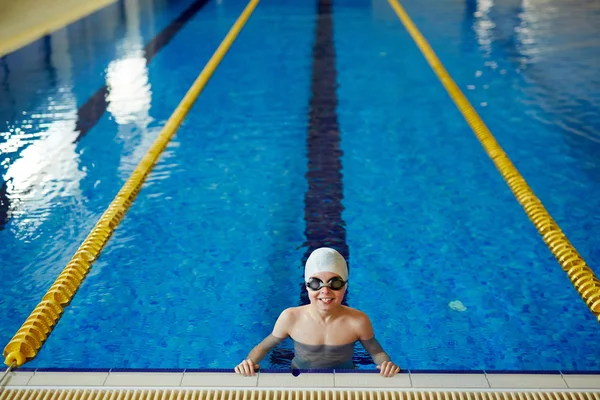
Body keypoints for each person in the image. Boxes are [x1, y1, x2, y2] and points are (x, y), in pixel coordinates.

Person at [235, 247, 401, 377]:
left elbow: (377, 352)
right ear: (307, 286)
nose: (325, 291)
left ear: (345, 286)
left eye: (334, 283)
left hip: (345, 378)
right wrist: (249, 362)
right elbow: (263, 347)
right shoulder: (291, 317)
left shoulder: (358, 321)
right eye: (316, 283)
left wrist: (385, 363)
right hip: (300, 378)